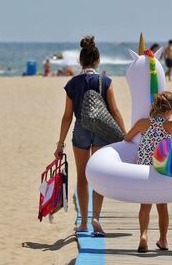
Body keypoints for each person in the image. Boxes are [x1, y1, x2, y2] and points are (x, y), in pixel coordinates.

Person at [54, 36, 126, 234]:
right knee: (99, 176)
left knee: (82, 177)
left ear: (80, 61)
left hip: (80, 130)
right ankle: (96, 218)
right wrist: (125, 134)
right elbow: (115, 111)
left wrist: (60, 143)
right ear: (97, 60)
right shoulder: (105, 81)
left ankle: (84, 222)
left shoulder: (72, 84)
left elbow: (67, 116)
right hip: (102, 130)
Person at [124, 91, 172, 253]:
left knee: (145, 205)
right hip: (160, 169)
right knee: (162, 206)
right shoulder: (170, 125)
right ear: (169, 111)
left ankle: (143, 236)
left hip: (144, 170)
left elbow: (127, 138)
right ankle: (163, 240)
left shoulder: (143, 123)